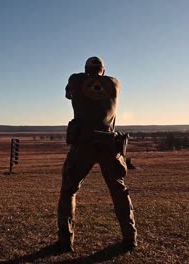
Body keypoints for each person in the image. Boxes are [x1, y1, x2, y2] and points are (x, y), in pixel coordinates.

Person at [55, 56, 137, 253]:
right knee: (119, 192)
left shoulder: (76, 80)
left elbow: (68, 95)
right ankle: (130, 238)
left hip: (83, 144)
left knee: (69, 191)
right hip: (109, 145)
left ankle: (65, 240)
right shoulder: (114, 83)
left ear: (85, 68)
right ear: (103, 69)